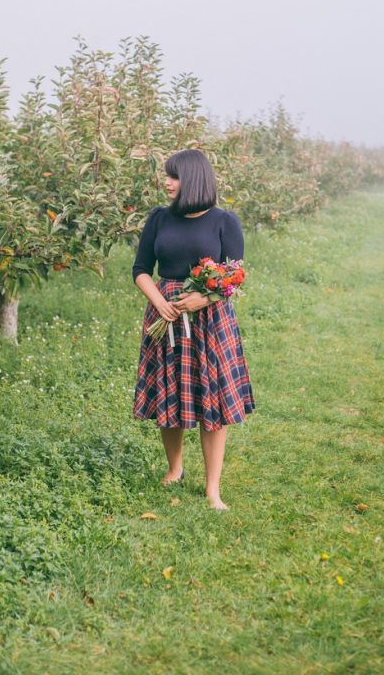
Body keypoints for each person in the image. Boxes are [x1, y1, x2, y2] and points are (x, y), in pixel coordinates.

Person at [132, 148, 255, 510]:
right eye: (167, 176)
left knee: (211, 399)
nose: (166, 182)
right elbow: (141, 268)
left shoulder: (224, 221)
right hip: (165, 314)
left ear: (194, 180)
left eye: (174, 176)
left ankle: (212, 487)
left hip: (209, 319)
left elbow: (235, 272)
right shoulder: (158, 219)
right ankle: (175, 469)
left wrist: (205, 298)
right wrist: (159, 301)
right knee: (169, 392)